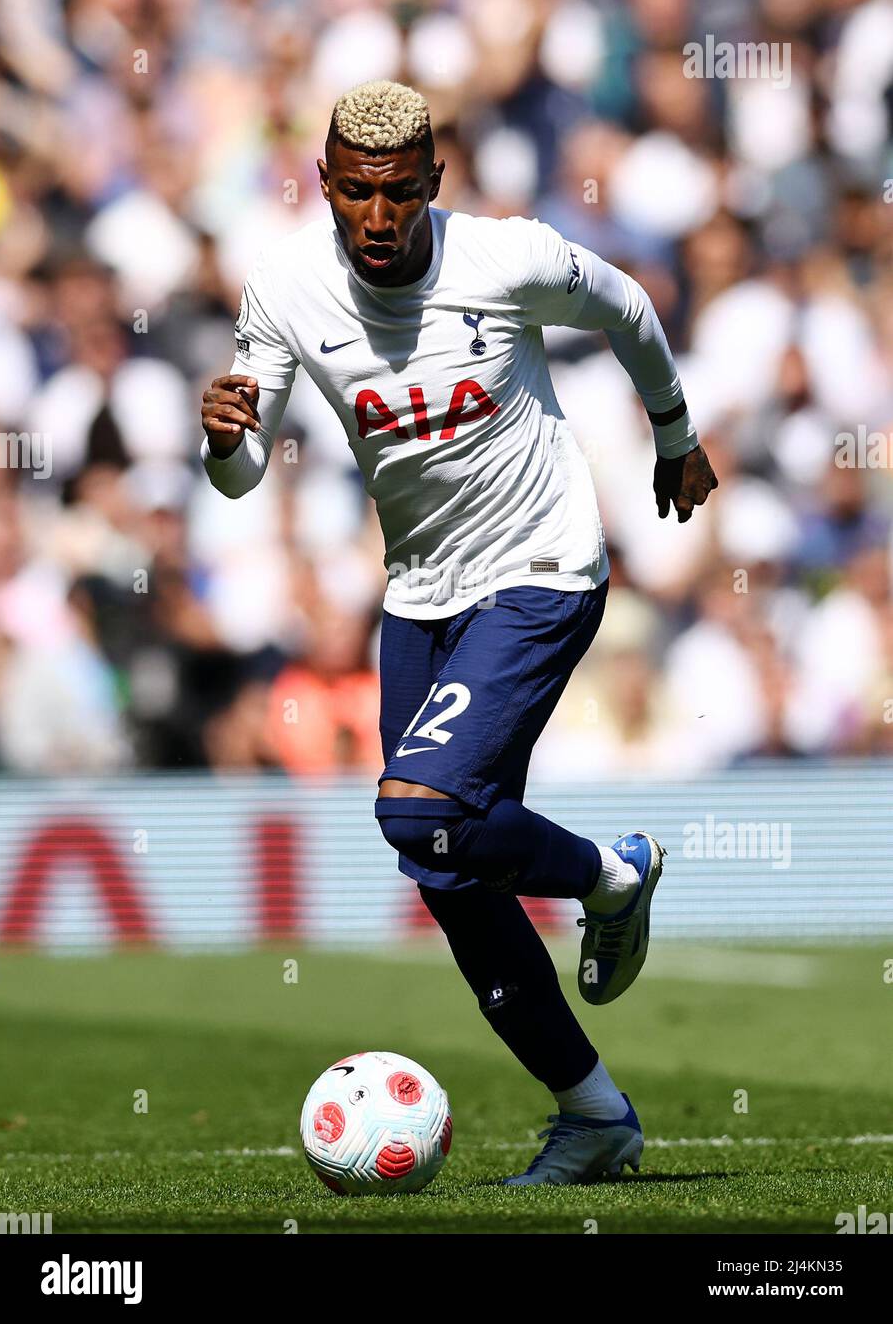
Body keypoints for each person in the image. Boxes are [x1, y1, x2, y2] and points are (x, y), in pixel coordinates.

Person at [200, 80, 717, 1185]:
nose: (373, 219)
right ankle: (593, 1114)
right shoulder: (286, 290)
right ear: (325, 187)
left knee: (417, 806)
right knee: (440, 860)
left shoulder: (505, 258)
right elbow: (242, 477)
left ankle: (606, 872)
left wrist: (672, 432)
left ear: (432, 184)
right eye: (351, 194)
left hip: (541, 567)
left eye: (394, 195)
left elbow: (626, 303)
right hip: (418, 592)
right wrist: (223, 441)